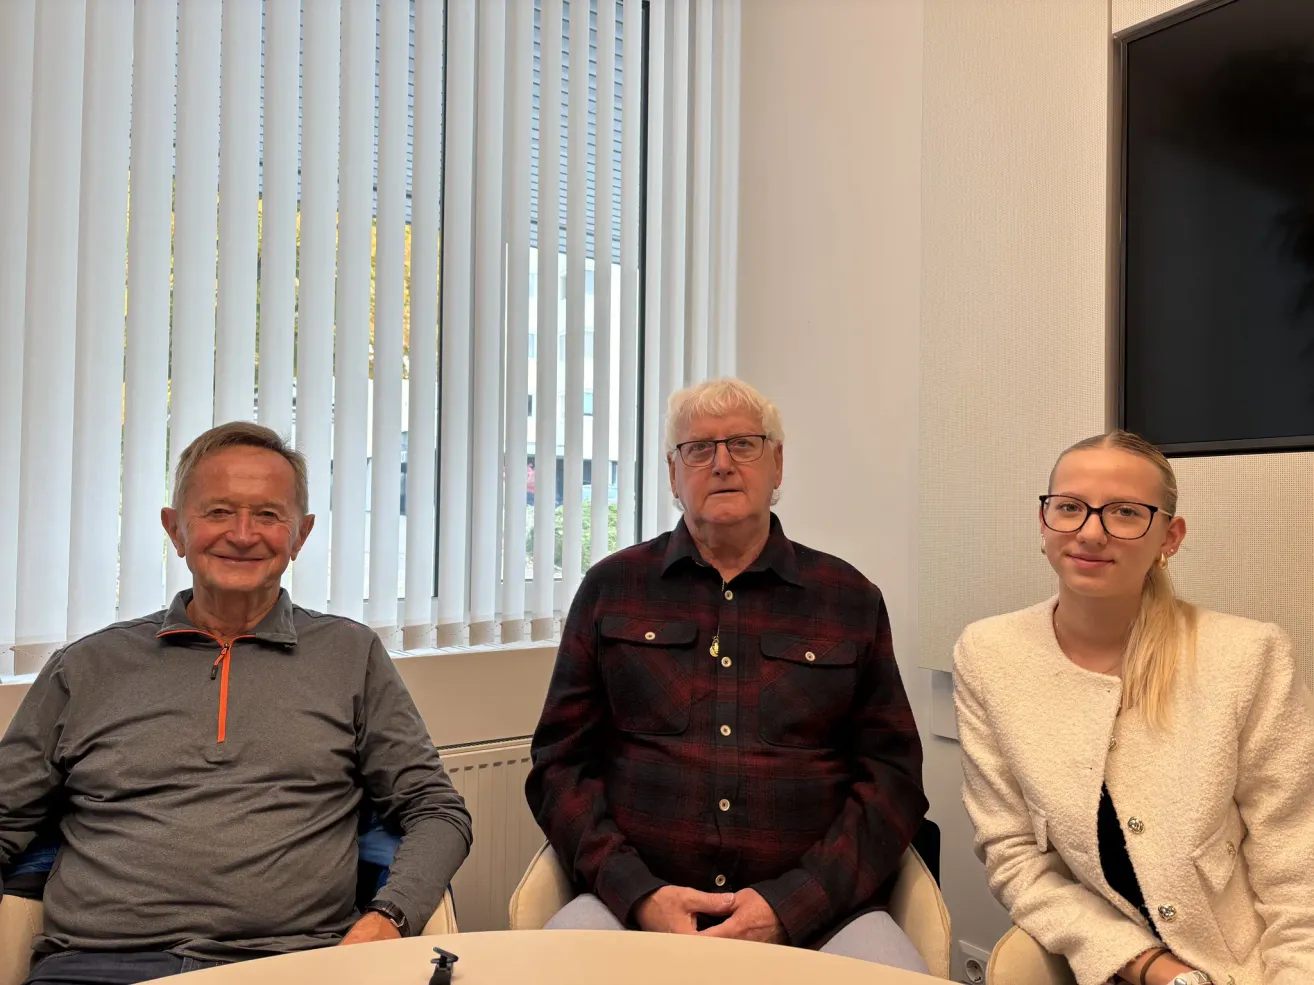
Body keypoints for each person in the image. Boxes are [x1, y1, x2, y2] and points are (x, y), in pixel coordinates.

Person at [0, 422, 472, 985]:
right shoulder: (86, 666)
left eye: (269, 515)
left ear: (300, 536)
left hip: (296, 965)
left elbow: (437, 812)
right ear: (175, 530)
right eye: (218, 512)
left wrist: (387, 918)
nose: (243, 535)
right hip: (99, 966)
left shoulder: (351, 655)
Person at [526, 378, 929, 970]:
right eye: (698, 449)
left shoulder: (848, 599)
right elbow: (559, 765)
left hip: (819, 913)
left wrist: (793, 902)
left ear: (777, 463)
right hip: (635, 906)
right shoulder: (613, 590)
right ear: (673, 474)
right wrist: (637, 892)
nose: (721, 464)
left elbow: (893, 778)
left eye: (743, 444)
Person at [954, 430, 1314, 985]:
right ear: (1043, 520)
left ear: (1170, 537)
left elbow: (1297, 862)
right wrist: (1152, 968)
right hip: (1112, 967)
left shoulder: (1248, 657)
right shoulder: (988, 654)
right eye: (1069, 508)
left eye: (1125, 512)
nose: (1091, 533)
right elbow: (1013, 855)